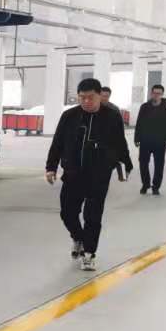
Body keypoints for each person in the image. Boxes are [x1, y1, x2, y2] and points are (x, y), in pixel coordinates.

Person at [46, 77, 133, 272]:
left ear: (100, 96)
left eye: (90, 97)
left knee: (92, 216)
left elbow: (120, 142)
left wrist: (126, 163)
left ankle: (89, 253)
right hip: (73, 173)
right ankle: (79, 238)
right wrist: (51, 167)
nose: (86, 101)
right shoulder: (69, 116)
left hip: (99, 175)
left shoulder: (112, 116)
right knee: (67, 213)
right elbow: (58, 142)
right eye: (82, 97)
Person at [134, 83, 166, 196]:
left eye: (159, 93)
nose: (156, 95)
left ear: (162, 94)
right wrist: (137, 138)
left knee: (159, 165)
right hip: (145, 140)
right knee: (143, 163)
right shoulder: (144, 107)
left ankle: (156, 187)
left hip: (160, 141)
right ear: (151, 93)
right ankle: (145, 184)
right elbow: (139, 123)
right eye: (154, 93)